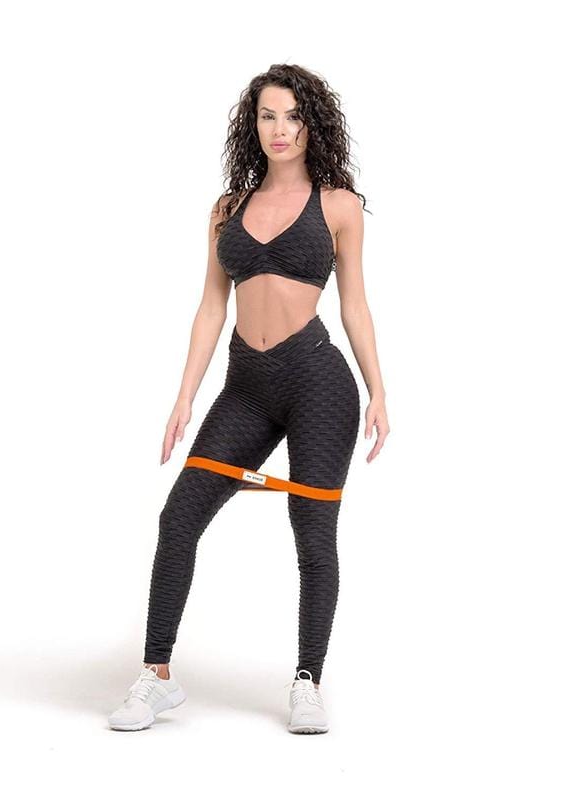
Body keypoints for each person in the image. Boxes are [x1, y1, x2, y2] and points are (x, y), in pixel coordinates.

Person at [109, 64, 390, 734]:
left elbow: (354, 304)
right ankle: (156, 677)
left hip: (318, 382)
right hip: (247, 386)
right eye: (268, 116)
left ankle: (307, 680)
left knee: (312, 531)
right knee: (179, 518)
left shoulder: (338, 206)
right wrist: (184, 398)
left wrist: (379, 390)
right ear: (252, 124)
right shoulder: (227, 209)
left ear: (312, 124)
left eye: (293, 116)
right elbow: (211, 307)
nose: (280, 129)